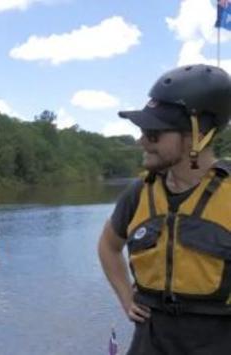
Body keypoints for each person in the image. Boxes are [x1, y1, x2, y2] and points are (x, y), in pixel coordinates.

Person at [98, 64, 231, 354]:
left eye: (154, 133)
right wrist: (126, 296)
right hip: (150, 340)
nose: (142, 141)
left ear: (198, 135)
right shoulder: (138, 193)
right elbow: (108, 246)